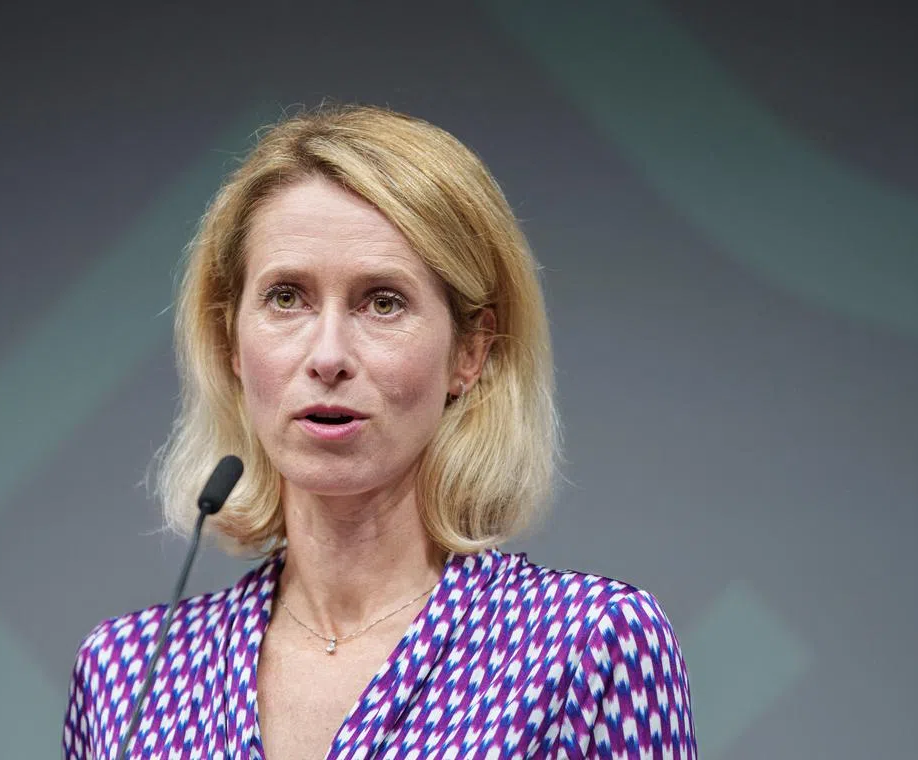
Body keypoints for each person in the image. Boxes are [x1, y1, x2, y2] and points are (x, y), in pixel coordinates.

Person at [63, 104, 697, 759]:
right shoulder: (127, 674)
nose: (328, 355)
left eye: (382, 302)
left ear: (469, 352)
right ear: (231, 340)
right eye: (287, 297)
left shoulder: (587, 645)